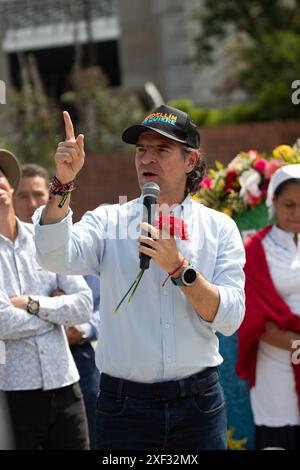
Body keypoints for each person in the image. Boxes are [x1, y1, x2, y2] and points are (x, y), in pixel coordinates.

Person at [34, 105, 245, 450]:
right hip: (124, 408)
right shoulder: (108, 220)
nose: (147, 159)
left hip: (198, 405)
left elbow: (231, 318)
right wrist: (63, 182)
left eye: (162, 150)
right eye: (142, 150)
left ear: (190, 161)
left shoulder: (219, 228)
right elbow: (52, 255)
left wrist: (180, 270)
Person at [0, 149, 92, 450]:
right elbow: (2, 322)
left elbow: (83, 305)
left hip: (66, 385)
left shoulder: (45, 240)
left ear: (9, 185)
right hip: (16, 394)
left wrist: (31, 303)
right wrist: (55, 316)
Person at [236, 164, 300, 450]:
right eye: (289, 205)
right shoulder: (254, 249)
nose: (297, 213)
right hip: (277, 362)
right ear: (273, 201)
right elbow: (257, 321)